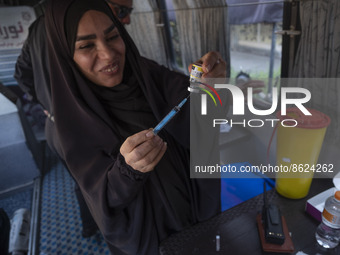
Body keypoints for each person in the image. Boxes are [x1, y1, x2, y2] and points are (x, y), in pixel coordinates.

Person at [44, 0, 227, 254]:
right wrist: (127, 172)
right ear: (65, 55)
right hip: (150, 240)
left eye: (113, 36)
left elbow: (192, 102)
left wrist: (210, 81)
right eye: (86, 45)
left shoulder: (146, 73)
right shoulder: (69, 124)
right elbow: (100, 201)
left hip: (197, 212)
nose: (108, 55)